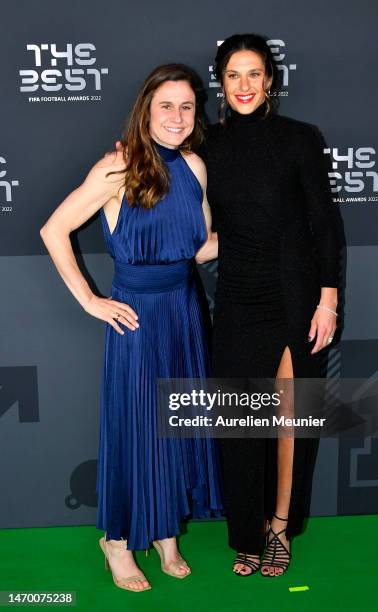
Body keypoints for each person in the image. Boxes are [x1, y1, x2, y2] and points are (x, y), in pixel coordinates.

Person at [39, 63, 223, 593]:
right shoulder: (116, 168)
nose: (177, 116)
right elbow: (54, 230)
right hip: (137, 318)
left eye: (187, 106)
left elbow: (200, 246)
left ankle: (165, 533)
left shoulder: (195, 167)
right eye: (166, 105)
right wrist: (91, 301)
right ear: (145, 109)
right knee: (136, 427)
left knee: (175, 425)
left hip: (185, 313)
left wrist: (261, 236)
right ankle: (117, 542)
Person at [196, 33, 342, 578]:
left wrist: (327, 299)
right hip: (236, 295)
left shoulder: (300, 139)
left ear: (271, 80)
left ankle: (280, 525)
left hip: (294, 292)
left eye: (253, 73)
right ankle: (247, 533)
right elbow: (190, 213)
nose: (243, 86)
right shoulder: (205, 145)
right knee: (240, 421)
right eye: (233, 75)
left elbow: (324, 223)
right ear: (221, 81)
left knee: (287, 419)